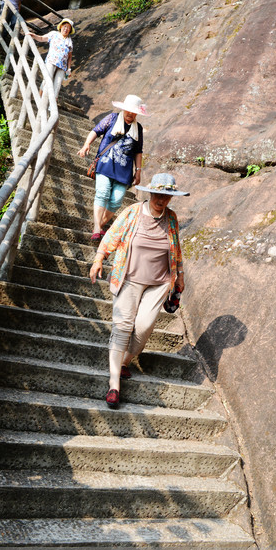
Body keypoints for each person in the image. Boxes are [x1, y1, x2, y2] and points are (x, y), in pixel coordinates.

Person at [89, 173, 189, 409]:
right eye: (158, 194)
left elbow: (175, 251)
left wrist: (180, 277)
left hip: (159, 283)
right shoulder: (133, 212)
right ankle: (114, 385)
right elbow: (112, 236)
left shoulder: (171, 218)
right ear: (150, 192)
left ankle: (126, 360)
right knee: (123, 326)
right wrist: (99, 259)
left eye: (167, 196)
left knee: (143, 328)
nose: (161, 200)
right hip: (129, 278)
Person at [78, 94, 148, 241]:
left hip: (124, 170)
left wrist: (138, 171)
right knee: (102, 192)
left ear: (137, 113)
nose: (130, 114)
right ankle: (97, 229)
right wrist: (86, 145)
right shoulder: (112, 118)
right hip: (105, 164)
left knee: (116, 200)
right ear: (123, 109)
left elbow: (138, 151)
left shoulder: (138, 128)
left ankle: (99, 226)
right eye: (128, 111)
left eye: (133, 112)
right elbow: (96, 131)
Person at [28, 17, 74, 98]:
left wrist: (69, 68)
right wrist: (34, 36)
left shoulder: (69, 41)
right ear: (61, 26)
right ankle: (40, 98)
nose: (66, 29)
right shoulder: (54, 34)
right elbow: (42, 38)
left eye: (68, 28)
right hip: (51, 61)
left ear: (70, 30)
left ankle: (51, 106)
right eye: (65, 26)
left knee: (57, 85)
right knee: (47, 80)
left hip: (62, 67)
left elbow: (69, 56)